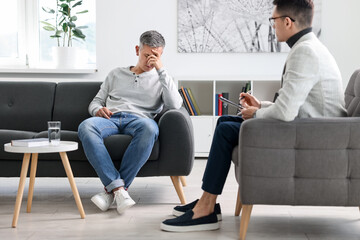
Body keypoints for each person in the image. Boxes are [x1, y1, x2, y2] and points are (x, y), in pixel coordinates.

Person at [161, 0, 347, 232]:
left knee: (226, 129)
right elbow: (296, 104)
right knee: (225, 122)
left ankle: (206, 208)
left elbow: (287, 112)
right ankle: (207, 201)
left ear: (287, 22)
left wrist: (257, 113)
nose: (272, 25)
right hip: (309, 128)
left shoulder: (305, 52)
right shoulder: (310, 47)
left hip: (311, 138)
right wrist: (261, 105)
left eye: (274, 20)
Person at [78, 30, 182, 215]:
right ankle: (119, 190)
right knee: (86, 126)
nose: (150, 60)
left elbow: (174, 104)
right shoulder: (116, 74)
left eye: (155, 56)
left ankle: (113, 190)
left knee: (151, 128)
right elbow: (95, 101)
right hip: (111, 118)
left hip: (140, 121)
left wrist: (161, 70)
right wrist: (97, 110)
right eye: (146, 55)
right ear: (137, 50)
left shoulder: (162, 78)